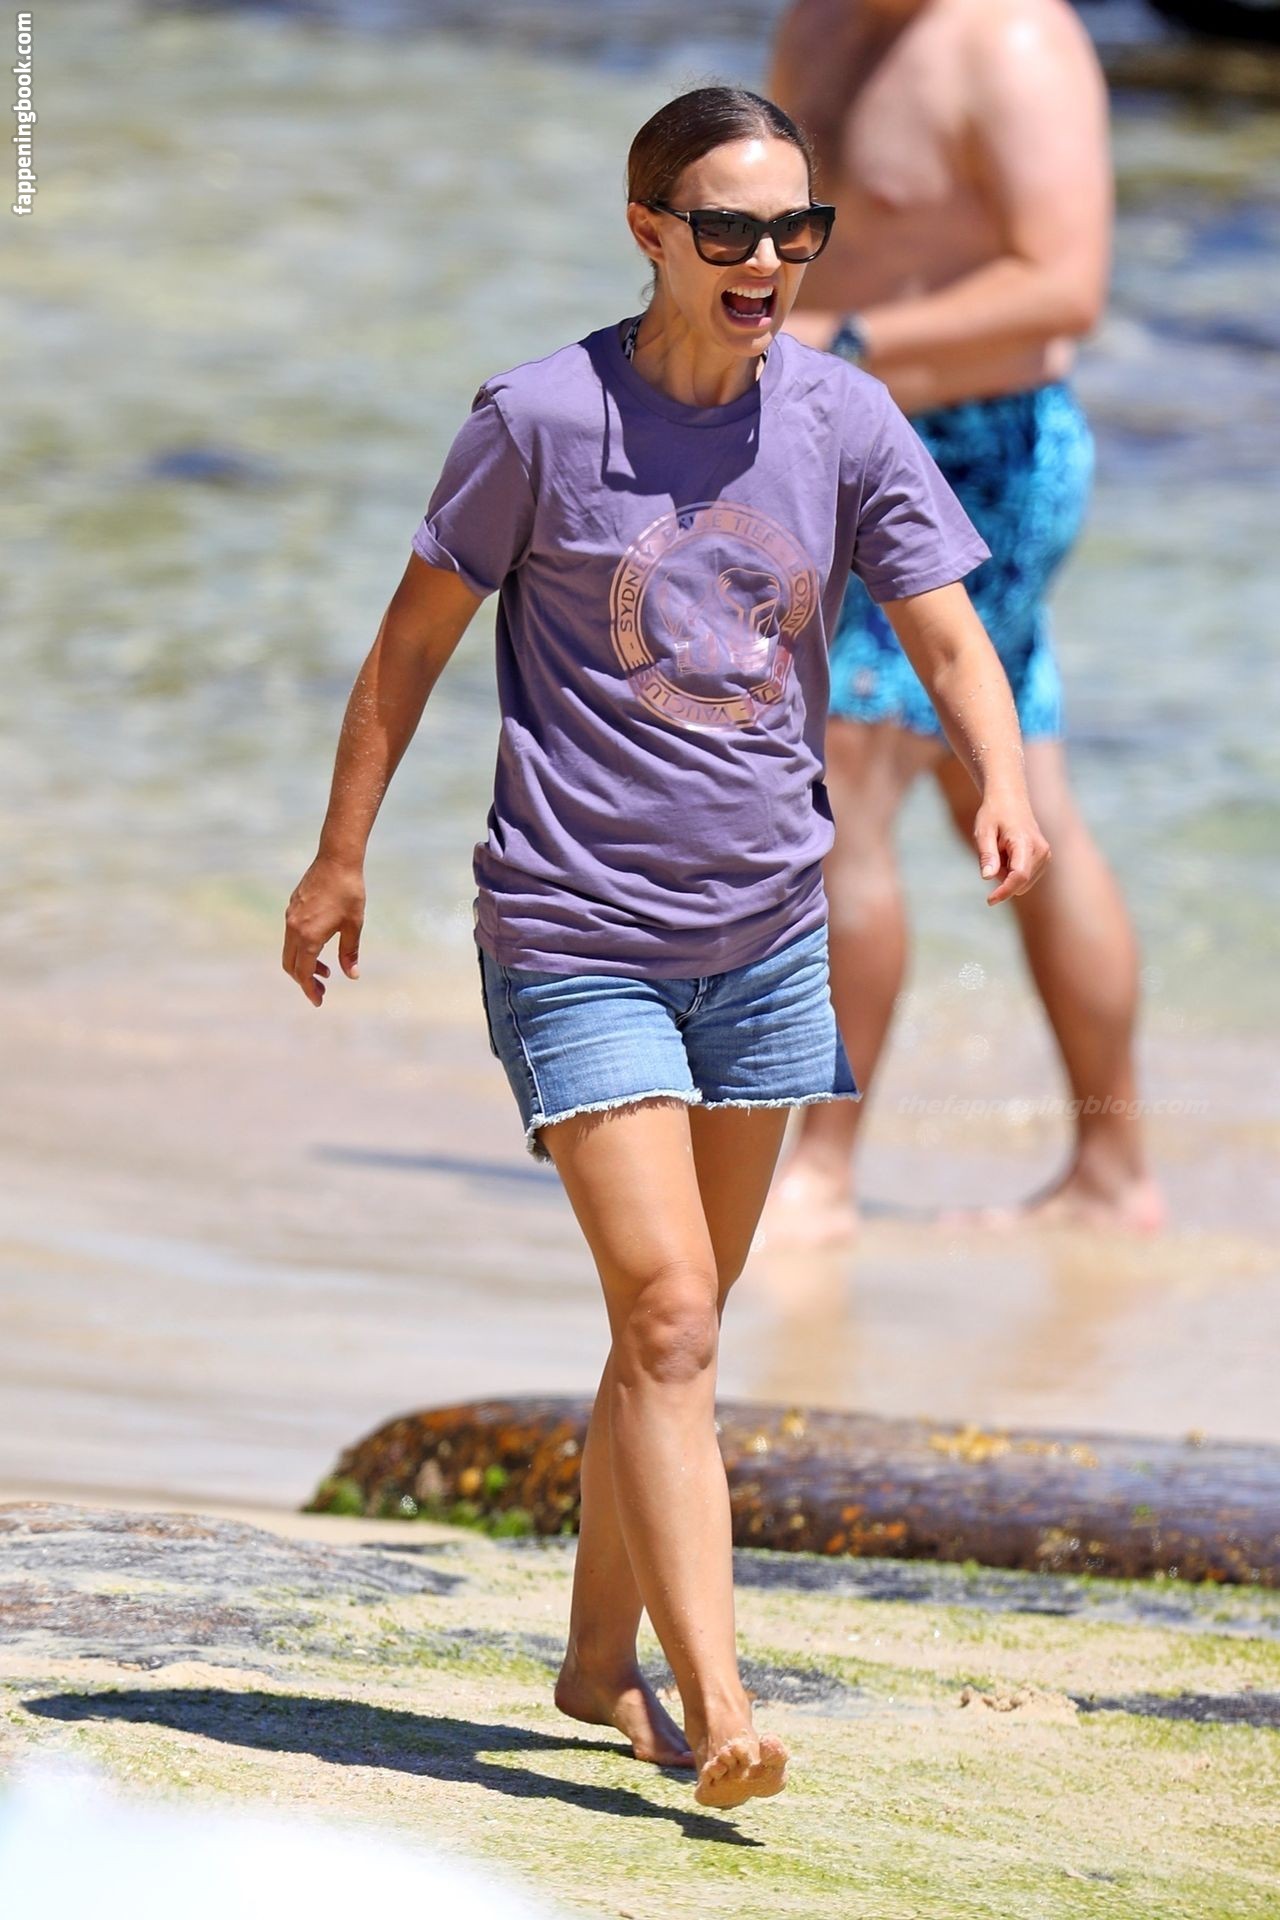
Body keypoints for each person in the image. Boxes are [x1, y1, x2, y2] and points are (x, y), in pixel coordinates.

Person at [282, 86, 1048, 1809]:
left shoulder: (843, 417)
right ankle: (721, 1703)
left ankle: (588, 1662)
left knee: (666, 1335)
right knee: (676, 1314)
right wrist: (338, 860)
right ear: (649, 232)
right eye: (728, 230)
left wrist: (1000, 775)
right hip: (574, 929)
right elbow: (407, 648)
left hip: (769, 939)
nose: (766, 260)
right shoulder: (540, 420)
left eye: (796, 231)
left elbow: (946, 631)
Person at [764, 0, 1165, 1243]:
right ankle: (1110, 1172)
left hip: (971, 454)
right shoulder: (820, 22)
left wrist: (841, 339)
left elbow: (1063, 287)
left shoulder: (1012, 43)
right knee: (1015, 790)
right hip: (835, 437)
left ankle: (820, 1170)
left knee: (840, 784)